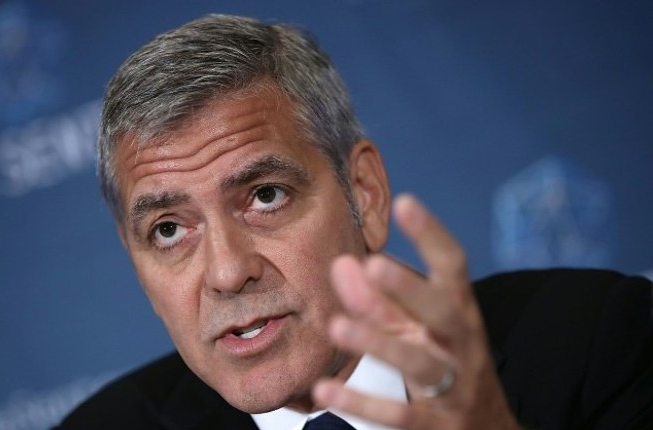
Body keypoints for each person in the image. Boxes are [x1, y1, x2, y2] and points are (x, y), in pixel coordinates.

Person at [55, 14, 653, 430]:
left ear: (362, 195)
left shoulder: (600, 343)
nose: (228, 271)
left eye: (265, 195)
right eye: (168, 230)